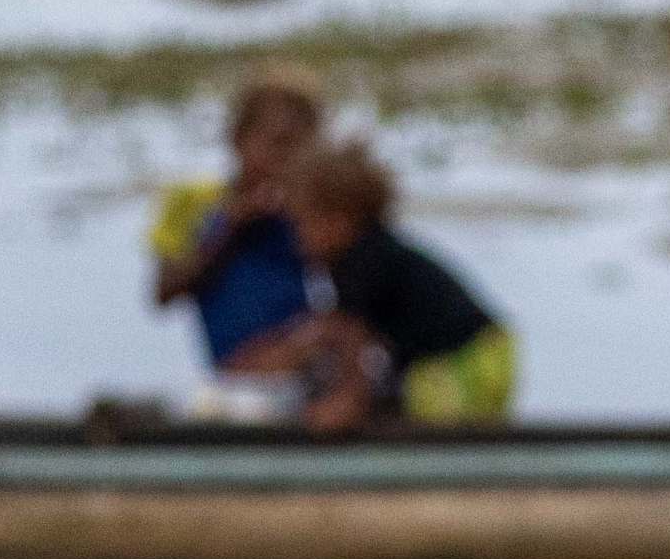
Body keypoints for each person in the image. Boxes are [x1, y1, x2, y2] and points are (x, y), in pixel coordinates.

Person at [243, 144, 515, 433]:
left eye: (301, 224)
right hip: (487, 351)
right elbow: (336, 330)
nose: (297, 239)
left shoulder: (360, 260)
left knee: (440, 440)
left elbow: (353, 337)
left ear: (337, 220)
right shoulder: (371, 252)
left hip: (461, 359)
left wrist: (346, 402)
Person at [147, 71, 328, 418]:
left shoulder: (309, 210)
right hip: (236, 375)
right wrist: (232, 226)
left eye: (304, 148)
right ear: (237, 139)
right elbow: (163, 292)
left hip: (302, 362)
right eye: (279, 143)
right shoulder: (193, 203)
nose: (289, 160)